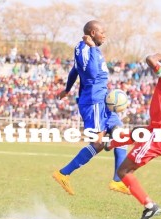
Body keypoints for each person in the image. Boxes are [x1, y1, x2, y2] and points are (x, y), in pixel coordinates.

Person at [105, 52, 161, 219]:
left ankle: (150, 206)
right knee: (139, 132)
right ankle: (110, 143)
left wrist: (160, 56)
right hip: (159, 132)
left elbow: (150, 60)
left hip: (159, 135)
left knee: (123, 171)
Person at [52, 20, 130, 195]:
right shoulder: (86, 48)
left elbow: (75, 70)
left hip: (103, 100)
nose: (105, 35)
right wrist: (93, 47)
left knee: (121, 134)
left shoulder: (90, 49)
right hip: (93, 101)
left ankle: (118, 181)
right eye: (102, 32)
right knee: (98, 143)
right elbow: (92, 73)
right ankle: (63, 173)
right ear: (93, 33)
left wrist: (67, 89)